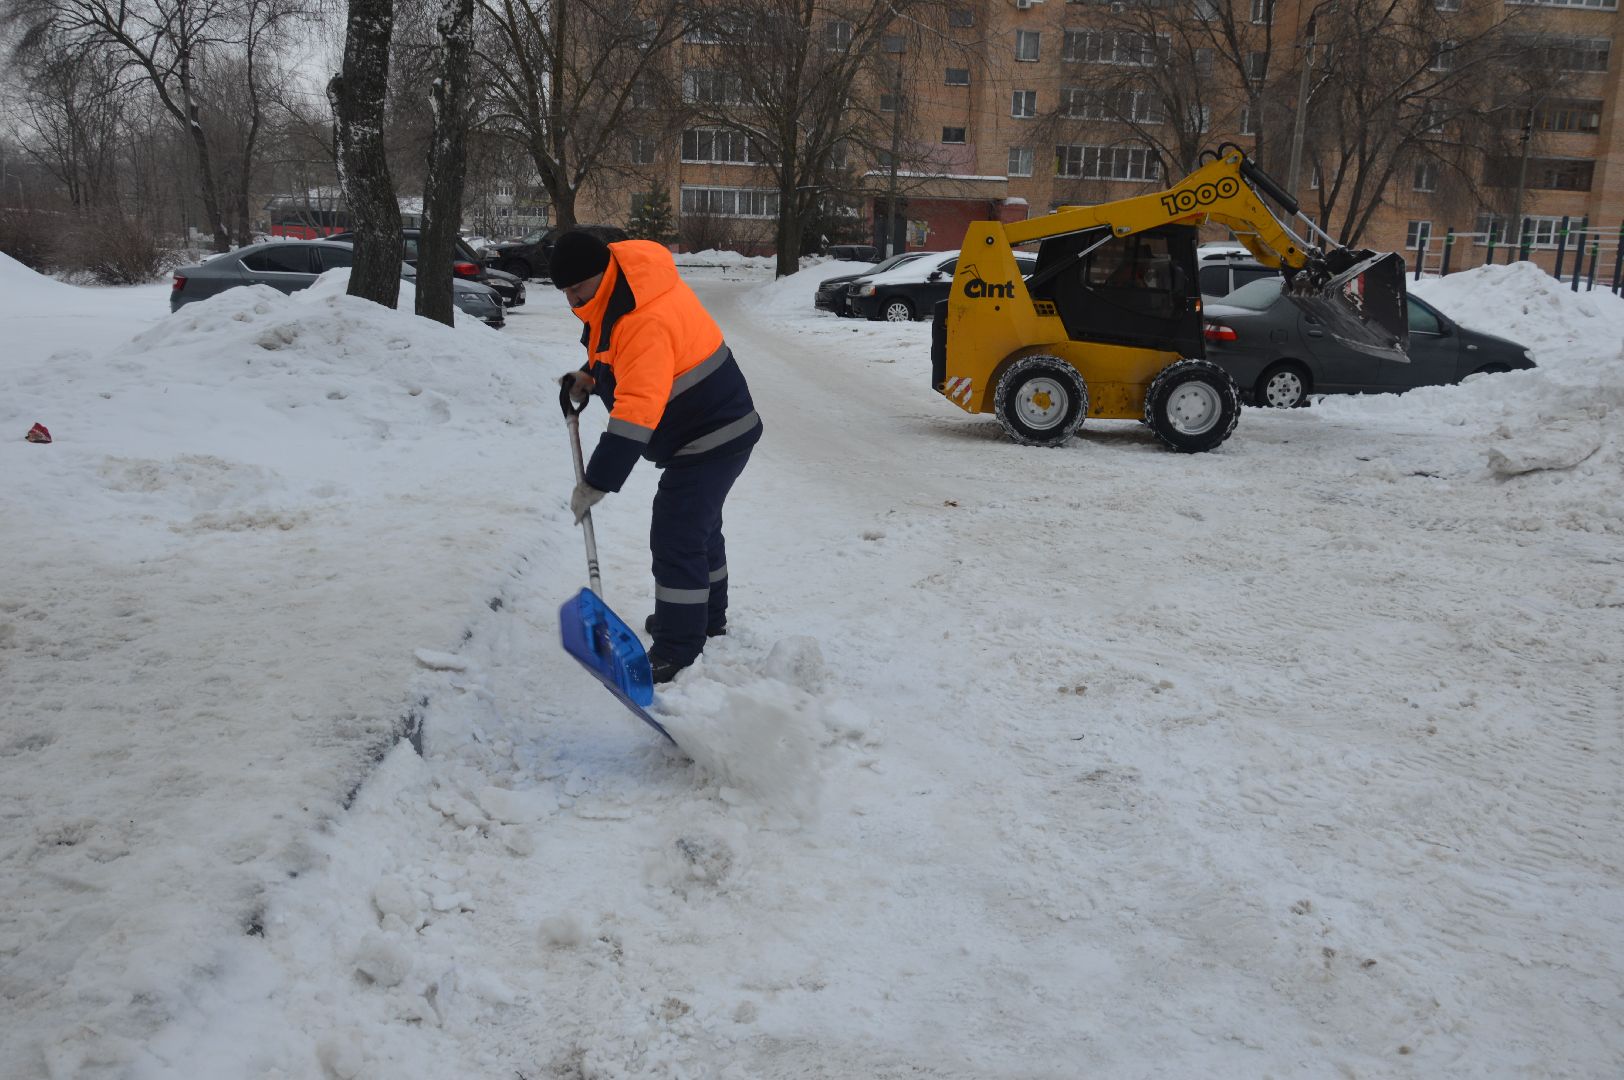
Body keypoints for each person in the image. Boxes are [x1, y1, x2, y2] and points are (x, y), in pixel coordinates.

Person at [554, 229, 762, 684]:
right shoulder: (622, 291)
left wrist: (596, 481)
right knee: (699, 527)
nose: (572, 299)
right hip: (713, 427)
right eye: (565, 291)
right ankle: (707, 617)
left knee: (676, 532)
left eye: (577, 288)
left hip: (712, 434)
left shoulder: (641, 315)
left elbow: (636, 412)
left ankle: (677, 646)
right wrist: (589, 376)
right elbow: (616, 354)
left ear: (601, 273)